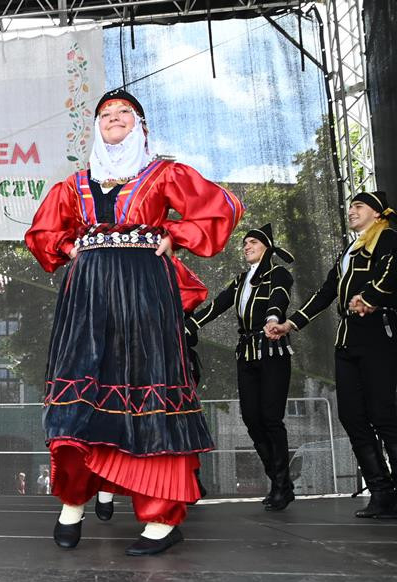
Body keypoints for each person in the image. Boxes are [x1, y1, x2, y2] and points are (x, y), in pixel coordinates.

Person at [26, 89, 242, 555]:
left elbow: (222, 207)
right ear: (96, 128)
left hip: (144, 288)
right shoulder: (74, 185)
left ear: (141, 125)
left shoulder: (164, 173)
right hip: (86, 294)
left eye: (125, 113)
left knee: (147, 386)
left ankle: (161, 519)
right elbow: (42, 233)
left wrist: (176, 235)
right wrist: (69, 248)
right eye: (106, 114)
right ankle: (73, 502)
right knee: (82, 384)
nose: (114, 118)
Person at [266, 192, 397, 519]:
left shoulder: (388, 238)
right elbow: (325, 293)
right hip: (348, 340)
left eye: (359, 206)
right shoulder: (350, 251)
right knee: (352, 416)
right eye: (350, 206)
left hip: (379, 336)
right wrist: (290, 324)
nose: (351, 211)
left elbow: (393, 271)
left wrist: (371, 296)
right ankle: (382, 491)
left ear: (378, 214)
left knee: (383, 415)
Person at [188, 224, 296, 510]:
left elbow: (279, 298)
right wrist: (191, 323)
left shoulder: (278, 274)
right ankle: (278, 481)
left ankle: (282, 486)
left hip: (272, 350)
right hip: (247, 352)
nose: (246, 247)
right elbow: (218, 304)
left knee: (271, 418)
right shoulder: (240, 280)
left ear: (266, 246)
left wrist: (274, 318)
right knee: (251, 418)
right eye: (245, 243)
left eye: (252, 242)